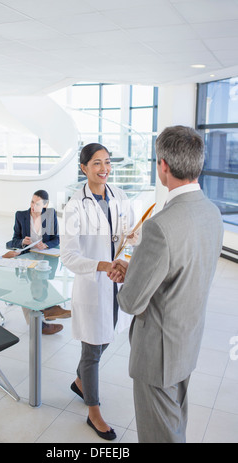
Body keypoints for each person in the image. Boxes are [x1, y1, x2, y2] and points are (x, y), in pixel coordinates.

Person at [109, 126, 224, 443]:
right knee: (174, 425)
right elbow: (185, 269)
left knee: (159, 435)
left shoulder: (160, 226)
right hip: (186, 341)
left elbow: (131, 302)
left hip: (157, 354)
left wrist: (131, 274)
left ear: (163, 165)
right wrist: (138, 265)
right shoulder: (212, 213)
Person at [60, 143, 135, 440]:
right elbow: (68, 256)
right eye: (96, 163)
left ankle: (81, 382)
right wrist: (102, 265)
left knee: (106, 337)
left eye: (107, 162)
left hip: (117, 280)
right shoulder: (73, 206)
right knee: (92, 349)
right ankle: (94, 411)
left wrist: (125, 257)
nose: (104, 168)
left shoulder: (121, 196)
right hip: (93, 284)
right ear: (83, 168)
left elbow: (131, 233)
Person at [6, 190, 71, 335]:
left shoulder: (49, 215)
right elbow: (14, 240)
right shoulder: (21, 215)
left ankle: (49, 308)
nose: (33, 206)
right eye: (32, 202)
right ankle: (39, 323)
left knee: (44, 280)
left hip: (45, 256)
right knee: (28, 287)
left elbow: (56, 239)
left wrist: (46, 245)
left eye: (37, 203)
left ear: (45, 205)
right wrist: (23, 241)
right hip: (26, 257)